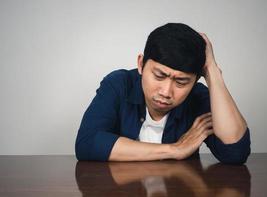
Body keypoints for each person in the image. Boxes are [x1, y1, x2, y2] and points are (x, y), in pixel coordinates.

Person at [75, 23, 251, 164]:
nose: (166, 92)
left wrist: (213, 73)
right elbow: (87, 143)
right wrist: (175, 149)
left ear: (196, 79)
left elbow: (235, 153)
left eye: (181, 82)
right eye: (159, 75)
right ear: (141, 64)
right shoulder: (119, 84)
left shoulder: (197, 96)